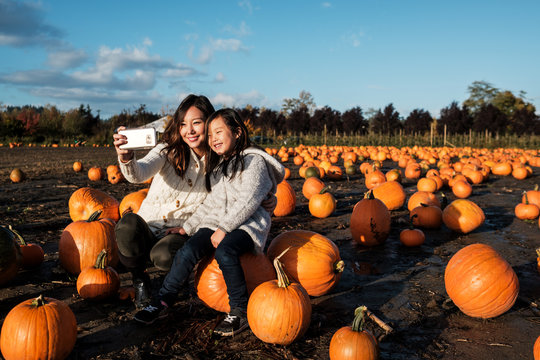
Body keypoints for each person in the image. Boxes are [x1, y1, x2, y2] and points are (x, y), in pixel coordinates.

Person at [133, 108, 285, 337]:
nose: (213, 139)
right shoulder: (223, 166)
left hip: (247, 225)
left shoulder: (254, 163)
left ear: (237, 133)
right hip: (218, 222)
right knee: (188, 250)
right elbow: (211, 202)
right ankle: (163, 301)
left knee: (225, 251)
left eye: (219, 132)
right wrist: (188, 227)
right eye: (210, 134)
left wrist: (224, 229)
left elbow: (248, 201)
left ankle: (240, 311)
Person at [112, 94, 215, 308]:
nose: (190, 131)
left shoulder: (219, 163)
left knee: (164, 255)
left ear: (210, 123)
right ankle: (139, 278)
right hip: (149, 226)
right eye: (184, 124)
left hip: (178, 232)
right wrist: (126, 158)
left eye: (197, 122)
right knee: (126, 225)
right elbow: (137, 174)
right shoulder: (167, 150)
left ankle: (175, 279)